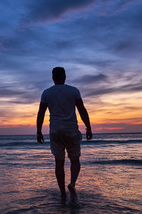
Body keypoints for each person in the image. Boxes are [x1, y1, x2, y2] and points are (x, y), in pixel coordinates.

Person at [36, 67, 92, 204]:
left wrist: (38, 131)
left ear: (53, 78)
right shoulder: (73, 91)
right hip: (71, 130)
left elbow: (41, 113)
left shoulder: (46, 93)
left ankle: (62, 193)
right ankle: (72, 184)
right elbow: (82, 110)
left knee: (59, 162)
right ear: (65, 76)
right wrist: (88, 127)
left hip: (55, 131)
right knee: (74, 160)